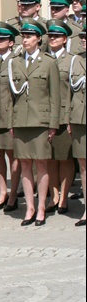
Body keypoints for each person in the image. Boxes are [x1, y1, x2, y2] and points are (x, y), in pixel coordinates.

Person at [8, 19, 60, 227]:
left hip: (41, 120)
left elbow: (55, 96)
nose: (25, 40)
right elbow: (11, 96)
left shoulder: (48, 62)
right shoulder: (16, 62)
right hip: (21, 120)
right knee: (25, 163)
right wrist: (12, 121)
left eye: (29, 36)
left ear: (39, 39)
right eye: (23, 36)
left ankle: (41, 207)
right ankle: (29, 207)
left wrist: (53, 124)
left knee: (41, 163)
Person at [0, 22, 22, 212]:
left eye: (3, 39)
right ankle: (2, 192)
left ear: (11, 42)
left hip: (10, 115)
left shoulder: (15, 61)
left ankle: (13, 194)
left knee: (13, 156)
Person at [45, 19, 76, 215]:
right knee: (49, 158)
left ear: (65, 39)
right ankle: (53, 195)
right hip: (45, 115)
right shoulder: (44, 58)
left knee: (64, 158)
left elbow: (74, 91)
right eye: (50, 36)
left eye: (56, 36)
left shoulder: (72, 60)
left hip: (64, 116)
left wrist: (71, 117)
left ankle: (64, 197)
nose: (52, 39)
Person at [67, 28, 85, 226]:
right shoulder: (76, 60)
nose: (84, 40)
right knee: (84, 165)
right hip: (80, 118)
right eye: (83, 37)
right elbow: (68, 92)